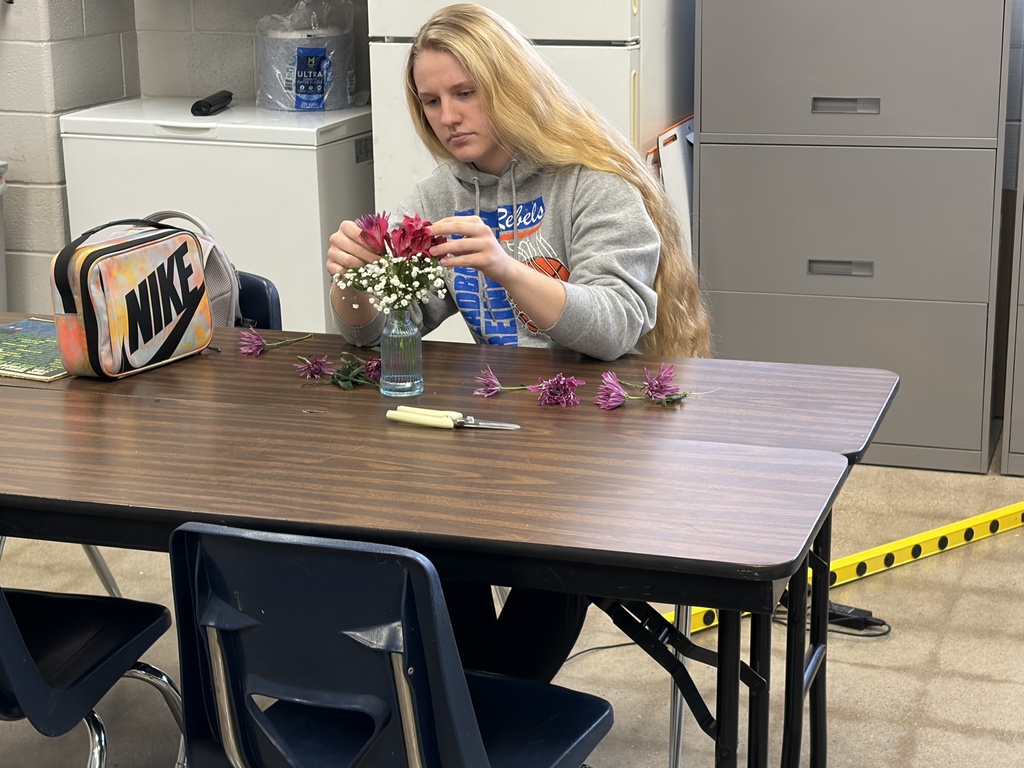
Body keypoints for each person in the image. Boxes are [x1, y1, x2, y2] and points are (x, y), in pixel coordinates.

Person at [326, 3, 711, 681]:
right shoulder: (442, 190)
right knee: (426, 535)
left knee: (563, 552)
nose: (448, 115)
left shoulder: (595, 180)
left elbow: (618, 325)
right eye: (432, 100)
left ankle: (481, 714)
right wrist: (356, 285)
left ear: (511, 85)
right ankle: (480, 716)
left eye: (466, 93)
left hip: (603, 433)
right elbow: (392, 330)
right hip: (500, 429)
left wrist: (506, 265)